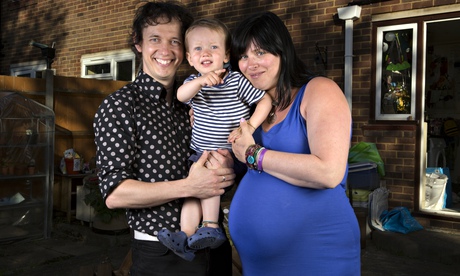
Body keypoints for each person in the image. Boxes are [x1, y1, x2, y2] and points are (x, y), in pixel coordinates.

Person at [93, 2, 235, 275]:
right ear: (138, 43)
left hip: (213, 245)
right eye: (155, 39)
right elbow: (115, 193)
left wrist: (225, 172)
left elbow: (212, 173)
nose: (166, 51)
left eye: (175, 41)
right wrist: (190, 186)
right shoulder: (121, 105)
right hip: (162, 254)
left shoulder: (193, 104)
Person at [227, 11, 361, 275]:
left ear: (282, 51)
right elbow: (246, 168)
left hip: (316, 255)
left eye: (261, 52)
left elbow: (328, 172)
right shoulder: (256, 108)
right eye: (243, 56)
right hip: (258, 264)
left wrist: (253, 153)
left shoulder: (319, 90)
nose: (250, 64)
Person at [158, 18, 272, 257]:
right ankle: (184, 235)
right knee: (192, 191)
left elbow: (264, 100)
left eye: (213, 47)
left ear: (226, 55)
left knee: (209, 181)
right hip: (200, 151)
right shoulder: (192, 82)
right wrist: (200, 81)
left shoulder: (235, 81)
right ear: (190, 58)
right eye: (198, 49)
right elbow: (180, 96)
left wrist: (249, 126)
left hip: (225, 152)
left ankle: (211, 226)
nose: (205, 53)